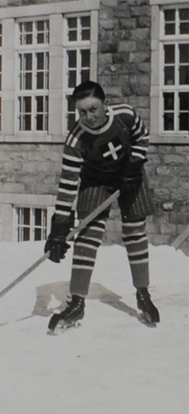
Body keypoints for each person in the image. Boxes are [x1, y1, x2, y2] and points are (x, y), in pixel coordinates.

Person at [44, 80, 160, 331]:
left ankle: (143, 293)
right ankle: (76, 302)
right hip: (96, 181)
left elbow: (142, 137)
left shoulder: (125, 115)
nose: (89, 117)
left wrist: (134, 166)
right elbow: (67, 184)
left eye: (93, 109)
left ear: (105, 104)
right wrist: (59, 227)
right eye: (82, 112)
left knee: (135, 232)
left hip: (130, 175)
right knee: (87, 236)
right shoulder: (76, 139)